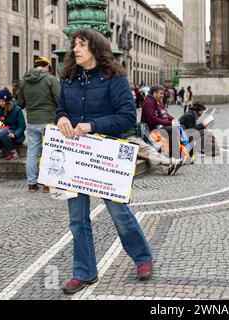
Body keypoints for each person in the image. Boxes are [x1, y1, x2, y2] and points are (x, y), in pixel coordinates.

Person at [55, 29, 153, 294]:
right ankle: (84, 272)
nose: (76, 49)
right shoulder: (69, 78)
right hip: (75, 156)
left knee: (118, 212)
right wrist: (62, 118)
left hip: (106, 154)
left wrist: (92, 126)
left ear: (96, 49)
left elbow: (126, 118)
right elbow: (61, 108)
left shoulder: (115, 79)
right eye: (74, 45)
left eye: (82, 45)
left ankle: (143, 257)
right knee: (77, 218)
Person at [18, 56, 60, 193]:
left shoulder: (24, 81)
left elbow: (20, 103)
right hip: (48, 120)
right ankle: (47, 183)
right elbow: (59, 99)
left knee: (32, 153)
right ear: (47, 66)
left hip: (31, 121)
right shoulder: (51, 79)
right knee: (48, 151)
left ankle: (32, 184)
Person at [0, 88, 26, 160]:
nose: (0, 103)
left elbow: (22, 126)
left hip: (14, 134)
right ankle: (0, 151)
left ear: (8, 101)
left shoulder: (17, 109)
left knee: (2, 131)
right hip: (1, 132)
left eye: (2, 101)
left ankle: (13, 152)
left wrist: (15, 134)